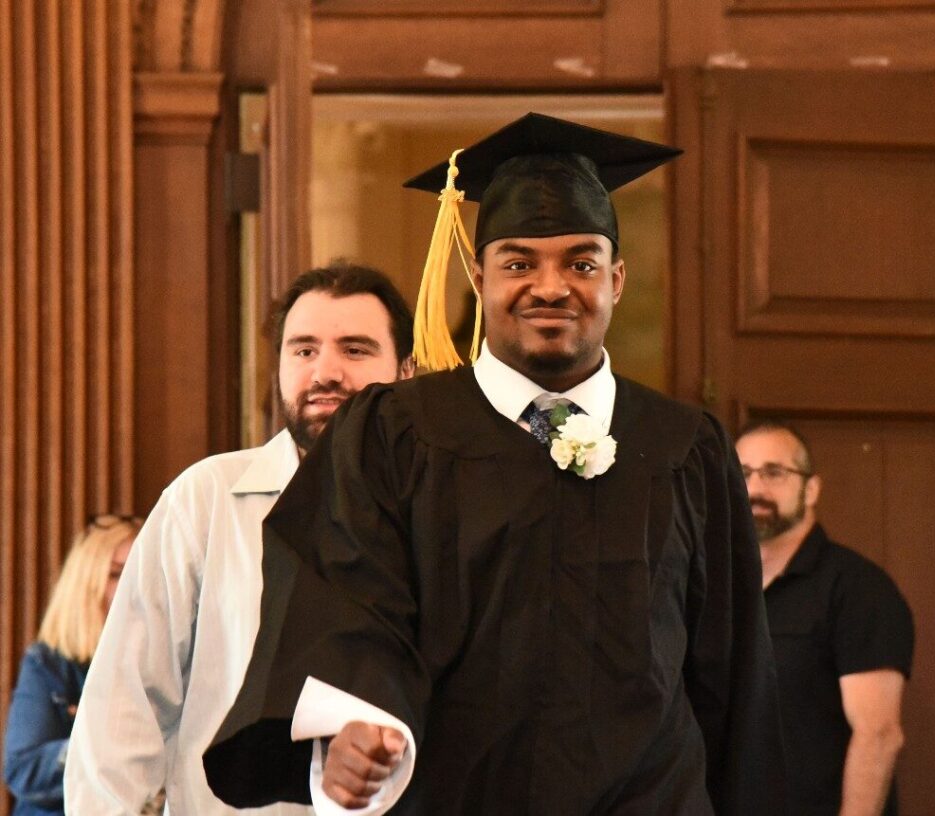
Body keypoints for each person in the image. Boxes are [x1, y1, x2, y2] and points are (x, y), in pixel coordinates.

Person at [204, 113, 787, 815]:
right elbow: (347, 605)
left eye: (581, 264)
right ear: (478, 278)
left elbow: (732, 672)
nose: (551, 286)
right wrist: (351, 723)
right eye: (518, 263)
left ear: (617, 279)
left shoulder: (684, 448)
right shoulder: (394, 435)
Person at [64, 262, 415, 815]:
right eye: (303, 350)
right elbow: (123, 709)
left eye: (355, 349)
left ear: (407, 371)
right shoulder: (205, 501)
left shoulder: (435, 513)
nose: (326, 372)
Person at [735, 419, 914, 816]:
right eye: (743, 474)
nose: (755, 489)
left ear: (812, 488)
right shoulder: (719, 589)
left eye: (774, 473)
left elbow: (878, 734)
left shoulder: (858, 588)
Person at [3, 515, 141, 815]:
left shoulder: (166, 665)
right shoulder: (48, 664)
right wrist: (103, 737)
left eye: (139, 574)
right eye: (116, 574)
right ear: (86, 585)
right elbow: (23, 770)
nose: (129, 587)